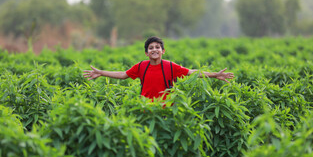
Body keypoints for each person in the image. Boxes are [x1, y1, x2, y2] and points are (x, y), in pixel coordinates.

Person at [83, 36, 234, 100]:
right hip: (146, 111)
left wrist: (215, 75)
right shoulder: (141, 66)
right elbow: (123, 74)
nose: (154, 50)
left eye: (157, 47)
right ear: (146, 52)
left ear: (163, 51)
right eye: (150, 48)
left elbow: (192, 72)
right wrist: (101, 73)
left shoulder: (170, 66)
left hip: (167, 111)